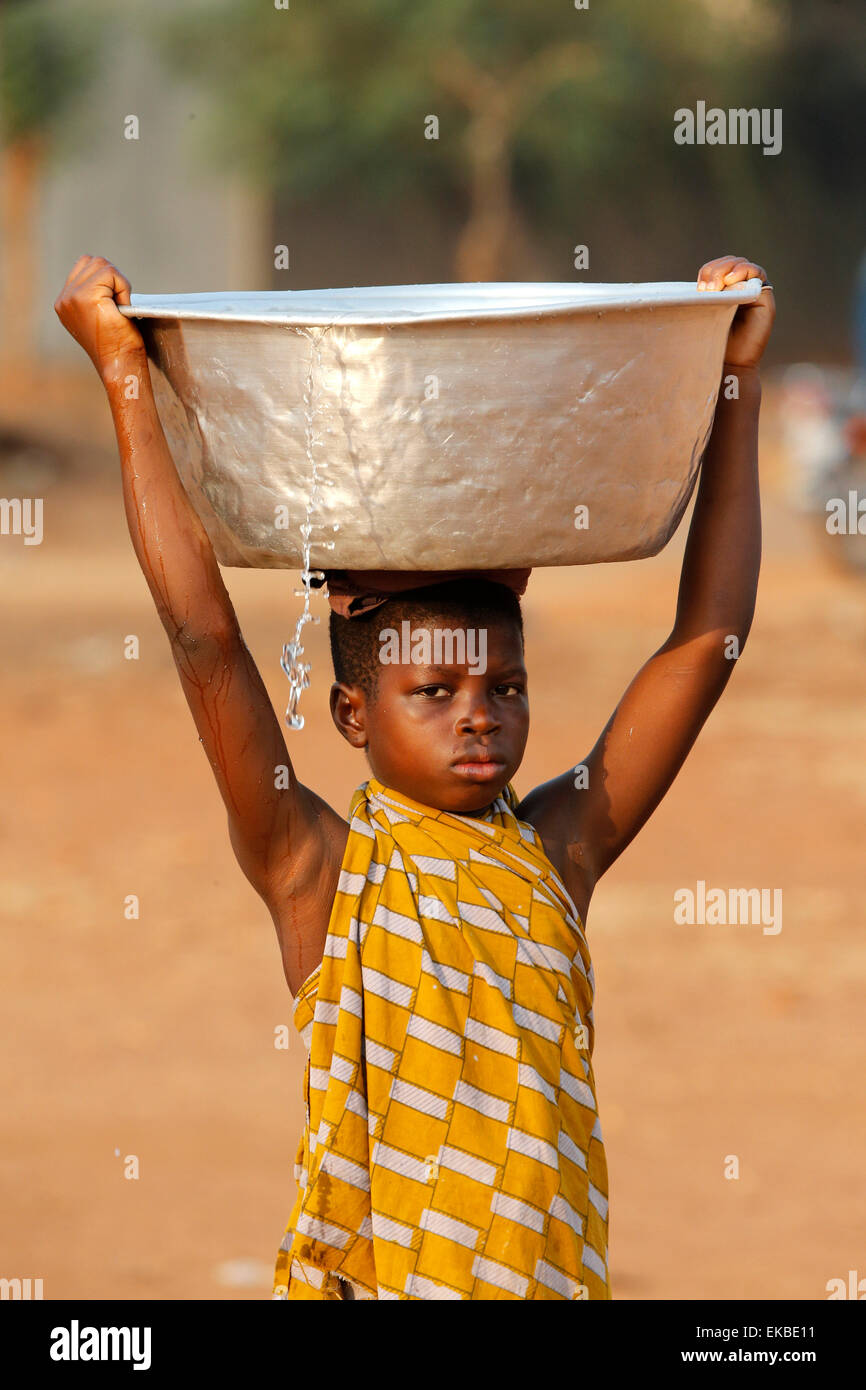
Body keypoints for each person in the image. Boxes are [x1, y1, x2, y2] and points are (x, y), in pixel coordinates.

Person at [54, 253, 775, 1300]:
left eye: (505, 688)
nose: (478, 713)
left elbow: (705, 638)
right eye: (431, 692)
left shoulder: (554, 852)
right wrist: (123, 375)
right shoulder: (318, 873)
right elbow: (205, 640)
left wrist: (732, 377)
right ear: (352, 713)